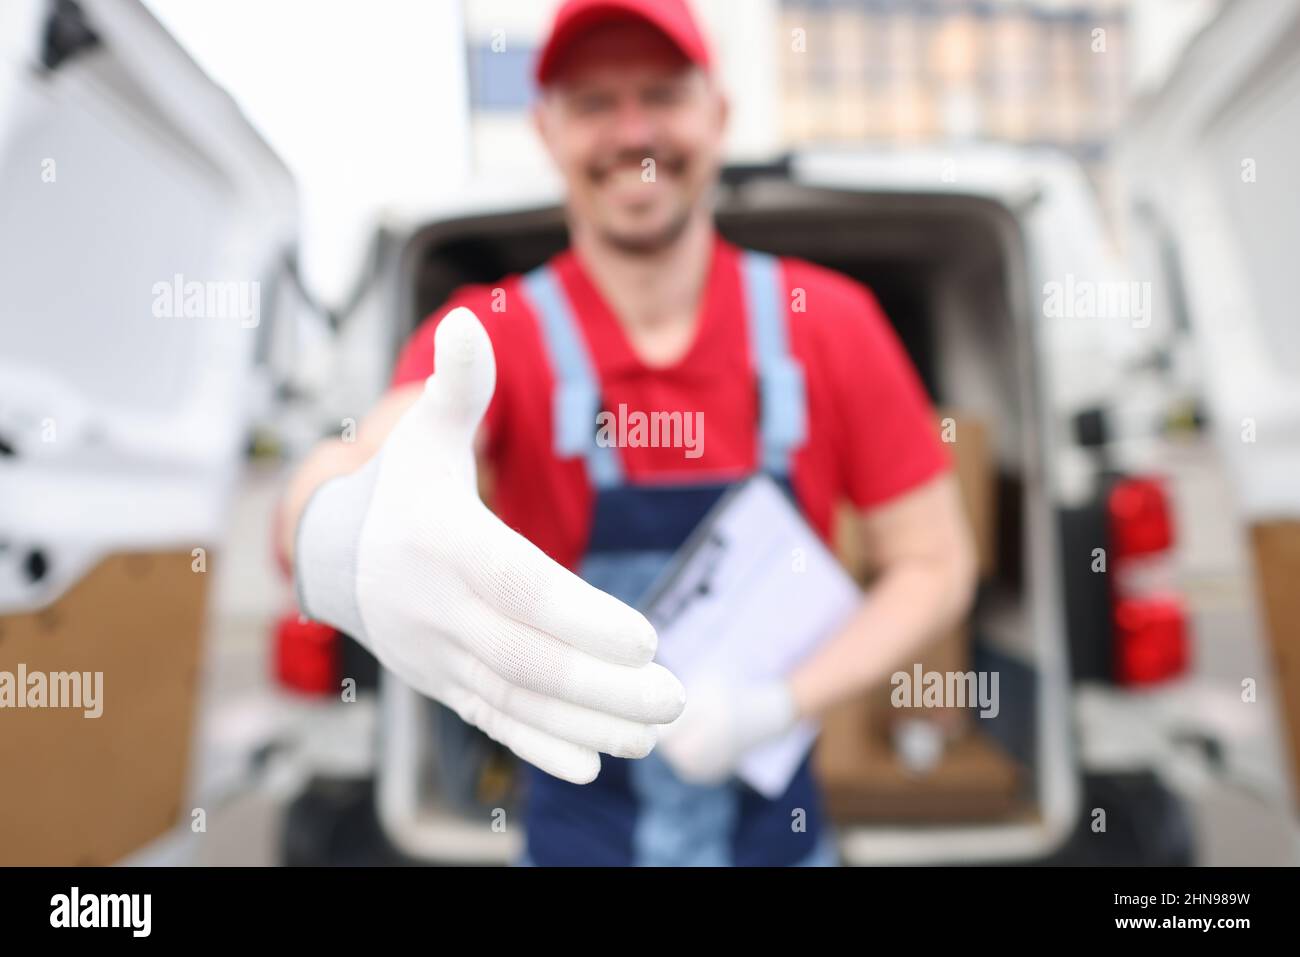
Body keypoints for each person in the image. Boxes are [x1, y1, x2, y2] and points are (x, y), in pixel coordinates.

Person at [280, 0, 976, 867]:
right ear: (545, 129)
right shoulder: (489, 337)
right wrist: (334, 535)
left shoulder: (830, 324)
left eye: (661, 94)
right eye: (594, 103)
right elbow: (354, 461)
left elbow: (936, 561)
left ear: (718, 114)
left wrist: (784, 701)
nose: (633, 130)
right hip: (576, 842)